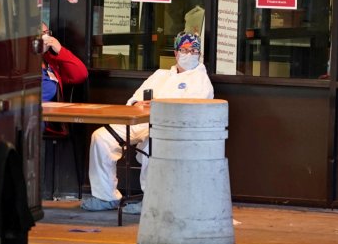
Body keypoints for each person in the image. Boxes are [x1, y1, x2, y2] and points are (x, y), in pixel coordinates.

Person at [81, 31, 213, 214]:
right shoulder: (160, 75)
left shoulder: (201, 81)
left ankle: (152, 201)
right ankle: (105, 196)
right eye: (185, 49)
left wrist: (160, 106)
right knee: (101, 137)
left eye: (194, 50)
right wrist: (138, 103)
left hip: (172, 129)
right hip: (141, 122)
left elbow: (192, 113)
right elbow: (134, 99)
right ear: (176, 53)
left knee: (154, 145)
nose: (189, 54)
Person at [41, 21, 88, 103]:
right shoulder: (20, 64)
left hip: (53, 113)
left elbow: (81, 75)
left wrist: (60, 50)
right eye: (40, 34)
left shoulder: (50, 61)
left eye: (47, 33)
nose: (45, 37)